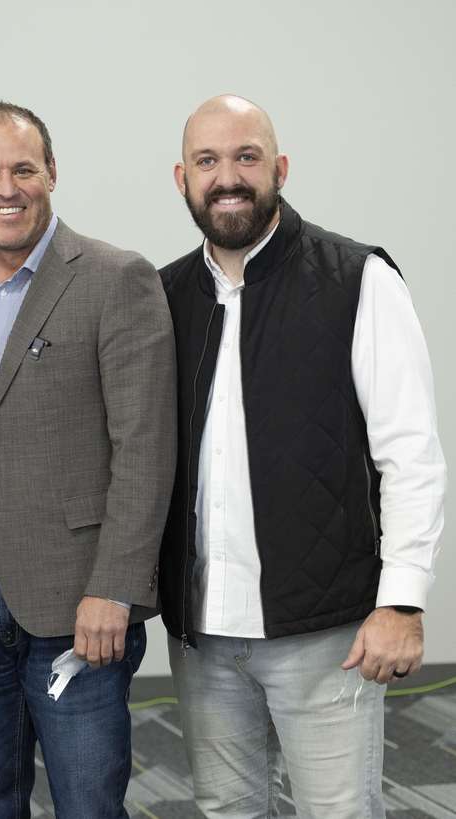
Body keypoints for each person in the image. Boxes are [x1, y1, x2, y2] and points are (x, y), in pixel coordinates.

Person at [158, 95, 446, 817]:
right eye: (208, 161)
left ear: (280, 169)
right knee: (228, 811)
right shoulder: (163, 297)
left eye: (247, 157)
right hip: (203, 636)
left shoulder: (358, 280)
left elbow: (411, 451)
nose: (229, 176)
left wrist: (401, 602)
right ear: (182, 179)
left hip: (326, 634)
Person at [0, 101, 176, 818]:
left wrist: (117, 588)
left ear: (52, 173)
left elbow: (145, 447)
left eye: (24, 169)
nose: (7, 188)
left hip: (79, 603)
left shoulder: (115, 278)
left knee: (88, 804)